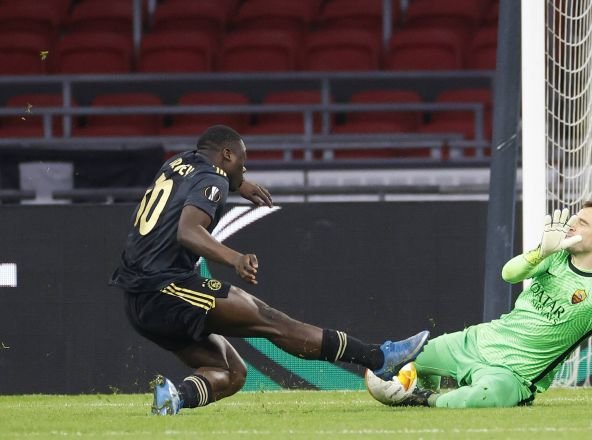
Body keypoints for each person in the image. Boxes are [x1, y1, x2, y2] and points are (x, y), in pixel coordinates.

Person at [110, 125, 429, 415]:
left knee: (233, 373)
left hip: (138, 298)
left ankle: (173, 398)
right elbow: (189, 231)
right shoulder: (214, 179)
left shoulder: (179, 163)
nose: (244, 167)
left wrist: (239, 183)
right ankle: (379, 358)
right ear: (226, 154)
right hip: (164, 288)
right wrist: (235, 258)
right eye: (242, 161)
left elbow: (194, 189)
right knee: (272, 321)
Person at [365, 201, 592, 408]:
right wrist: (542, 251)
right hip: (475, 342)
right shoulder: (553, 257)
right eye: (575, 217)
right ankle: (425, 385)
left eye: (582, 223)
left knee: (478, 399)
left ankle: (425, 399)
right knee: (407, 361)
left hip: (513, 374)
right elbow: (509, 273)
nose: (572, 224)